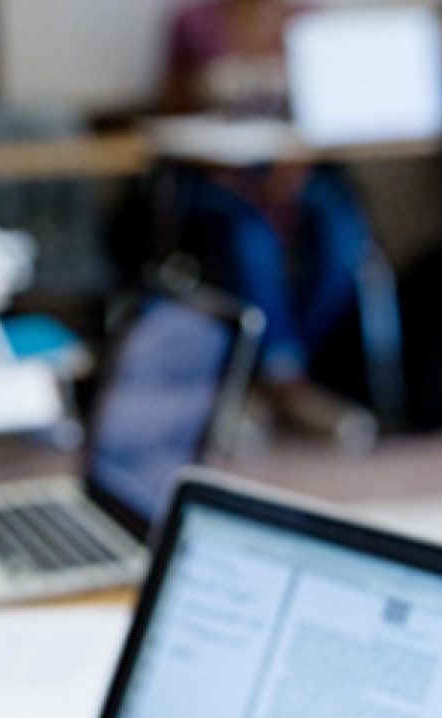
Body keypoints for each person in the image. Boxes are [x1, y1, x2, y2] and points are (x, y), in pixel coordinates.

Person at [162, 0, 382, 451]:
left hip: (301, 173)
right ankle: (287, 382)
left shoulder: (310, 23)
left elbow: (337, 111)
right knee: (250, 240)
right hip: (220, 178)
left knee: (342, 237)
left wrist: (296, 165)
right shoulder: (193, 24)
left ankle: (272, 382)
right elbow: (171, 112)